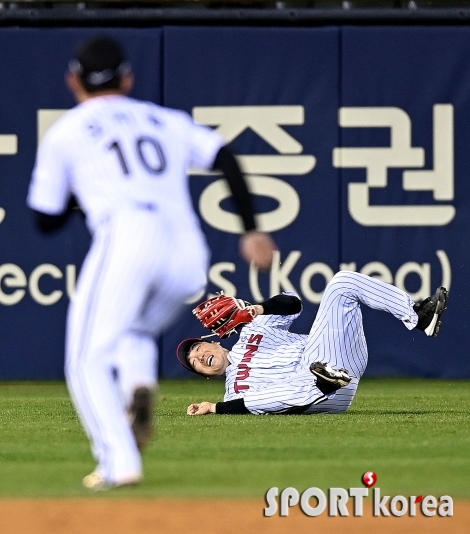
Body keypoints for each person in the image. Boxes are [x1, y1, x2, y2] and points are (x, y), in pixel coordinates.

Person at [26, 35, 276, 490]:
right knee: (135, 331)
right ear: (127, 78)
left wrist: (83, 198)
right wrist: (252, 229)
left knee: (85, 360)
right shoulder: (163, 119)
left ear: (73, 82)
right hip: (186, 251)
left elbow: (45, 219)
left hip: (128, 237)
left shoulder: (68, 130)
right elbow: (224, 156)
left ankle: (118, 461)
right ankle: (139, 380)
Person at [176, 271, 448, 416]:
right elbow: (252, 404)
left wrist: (256, 310)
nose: (199, 358)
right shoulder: (232, 391)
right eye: (194, 364)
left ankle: (418, 316)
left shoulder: (252, 331)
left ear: (213, 342)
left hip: (334, 357)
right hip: (319, 395)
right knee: (246, 402)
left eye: (198, 350)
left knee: (341, 283)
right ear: (203, 375)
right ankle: (320, 384)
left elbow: (293, 304)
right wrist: (215, 407)